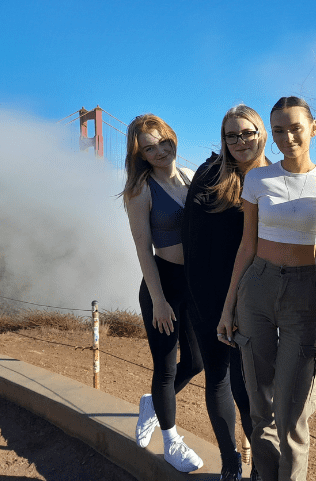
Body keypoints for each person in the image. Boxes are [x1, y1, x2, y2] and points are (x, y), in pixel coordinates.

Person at [217, 97, 316, 481]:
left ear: (313, 128)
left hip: (306, 292)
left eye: (295, 128)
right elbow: (247, 246)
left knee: (293, 415)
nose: (287, 137)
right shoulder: (257, 179)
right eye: (278, 130)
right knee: (259, 409)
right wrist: (228, 305)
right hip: (258, 287)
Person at [182, 105, 269, 481]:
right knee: (216, 377)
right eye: (231, 135)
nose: (239, 142)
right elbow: (191, 236)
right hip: (206, 295)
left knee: (247, 387)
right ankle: (231, 460)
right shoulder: (211, 173)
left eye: (247, 133)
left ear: (261, 132)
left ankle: (263, 464)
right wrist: (202, 302)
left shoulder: (276, 176)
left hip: (252, 299)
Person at [120, 114, 205, 473]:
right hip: (163, 284)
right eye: (149, 148)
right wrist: (158, 300)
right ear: (140, 155)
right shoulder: (140, 190)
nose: (159, 151)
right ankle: (171, 442)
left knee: (197, 362)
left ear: (172, 137)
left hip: (196, 284)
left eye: (162, 142)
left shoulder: (190, 178)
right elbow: (143, 249)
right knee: (166, 367)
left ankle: (151, 404)